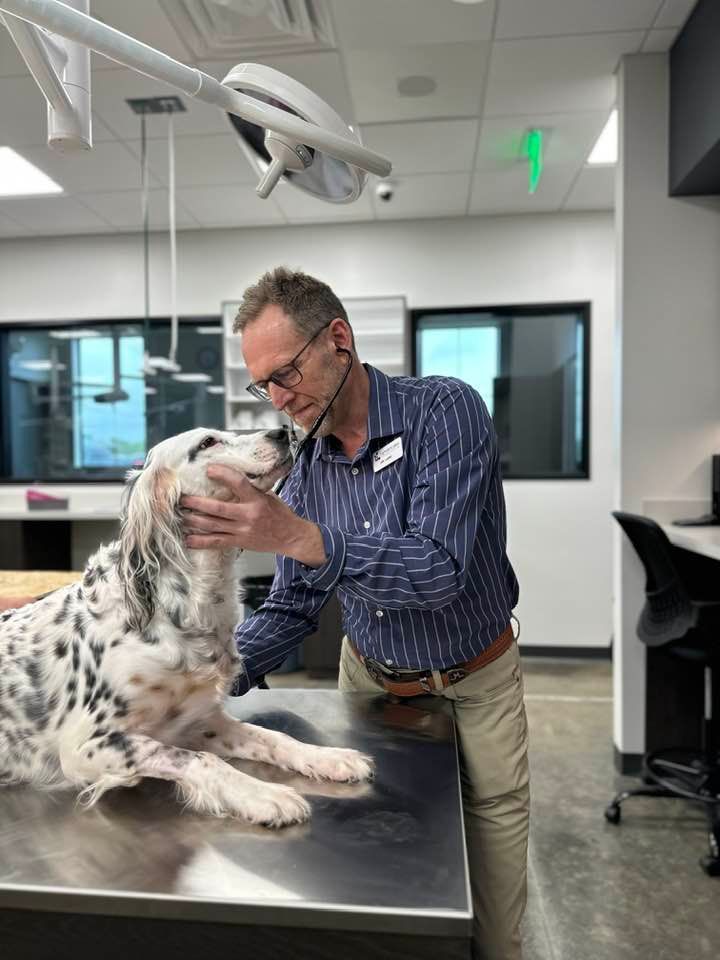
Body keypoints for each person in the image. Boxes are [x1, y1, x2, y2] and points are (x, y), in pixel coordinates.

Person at [181, 267, 530, 960]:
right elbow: (292, 603)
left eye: (286, 374)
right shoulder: (307, 468)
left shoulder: (444, 412)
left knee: (490, 904)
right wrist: (200, 680)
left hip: (474, 683)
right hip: (369, 681)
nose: (280, 401)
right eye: (264, 386)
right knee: (381, 877)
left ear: (336, 339)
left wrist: (293, 536)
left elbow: (437, 572)